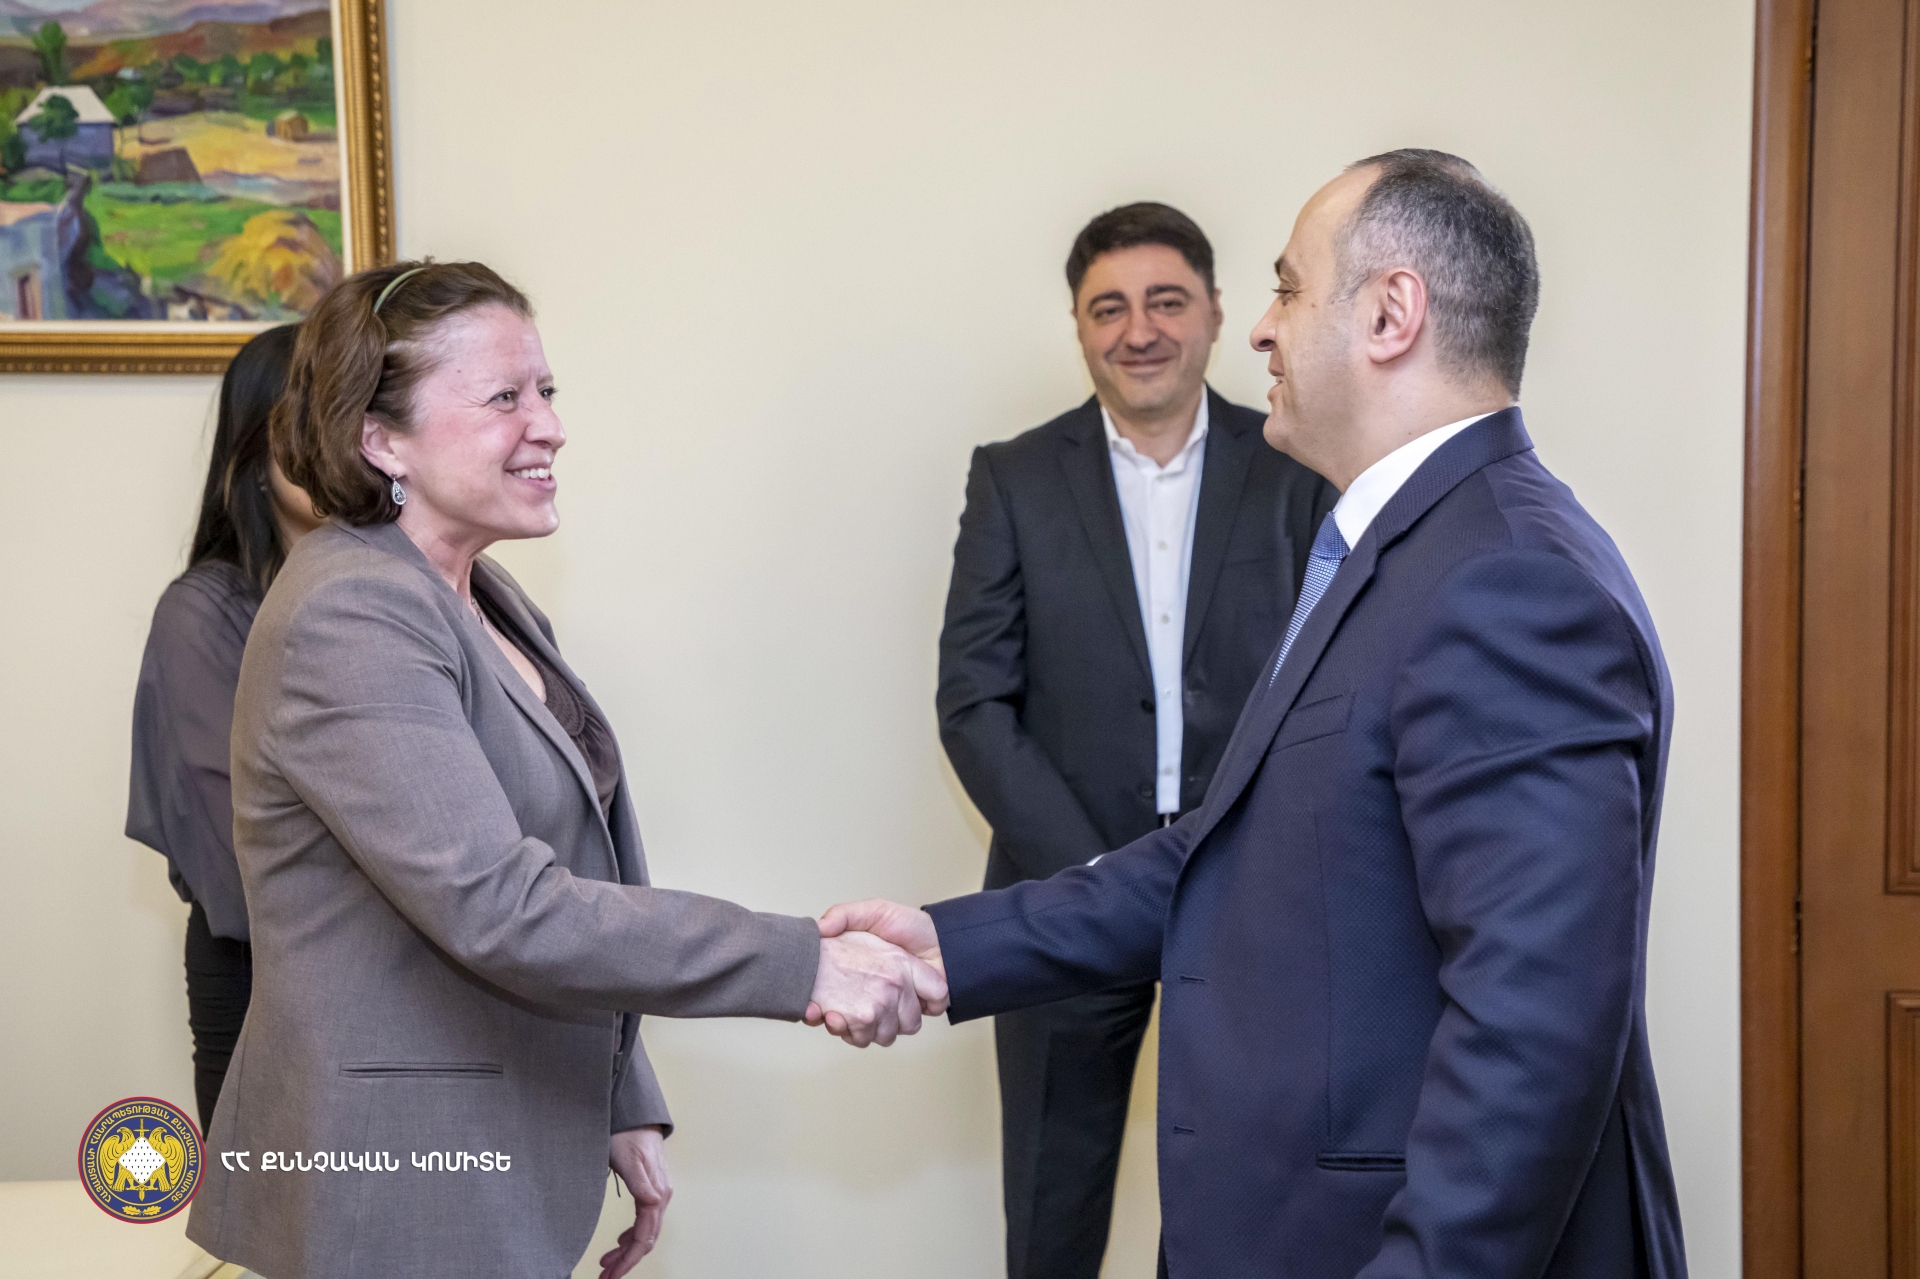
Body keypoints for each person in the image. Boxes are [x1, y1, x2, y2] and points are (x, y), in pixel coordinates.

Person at [822, 151, 1687, 1278]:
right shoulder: (1405, 547)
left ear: (1390, 314)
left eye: (1287, 287)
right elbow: (1232, 850)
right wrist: (954, 945)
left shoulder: (1507, 582)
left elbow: (1535, 1033)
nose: (1265, 330)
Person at [186, 260, 946, 1279]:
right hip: (399, 1179)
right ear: (380, 439)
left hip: (501, 1139)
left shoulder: (480, 592)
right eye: (505, 397)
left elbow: (580, 854)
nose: (548, 425)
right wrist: (802, 960)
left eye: (546, 390)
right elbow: (502, 906)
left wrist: (620, 1093)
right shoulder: (350, 613)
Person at [936, 201, 1331, 1277]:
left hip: (1251, 901)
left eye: (1165, 301)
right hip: (1063, 897)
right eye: (1108, 307)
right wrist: (1097, 877)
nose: (1139, 329)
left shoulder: (1297, 463)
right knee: (1052, 1222)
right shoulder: (1013, 477)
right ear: (1078, 325)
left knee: (1247, 1215)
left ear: (1216, 313)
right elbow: (973, 702)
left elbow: (1324, 687)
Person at [127, 324, 321, 1133]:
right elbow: (246, 853)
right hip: (265, 991)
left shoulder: (408, 595)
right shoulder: (203, 615)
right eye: (310, 423)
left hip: (408, 992)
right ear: (255, 452)